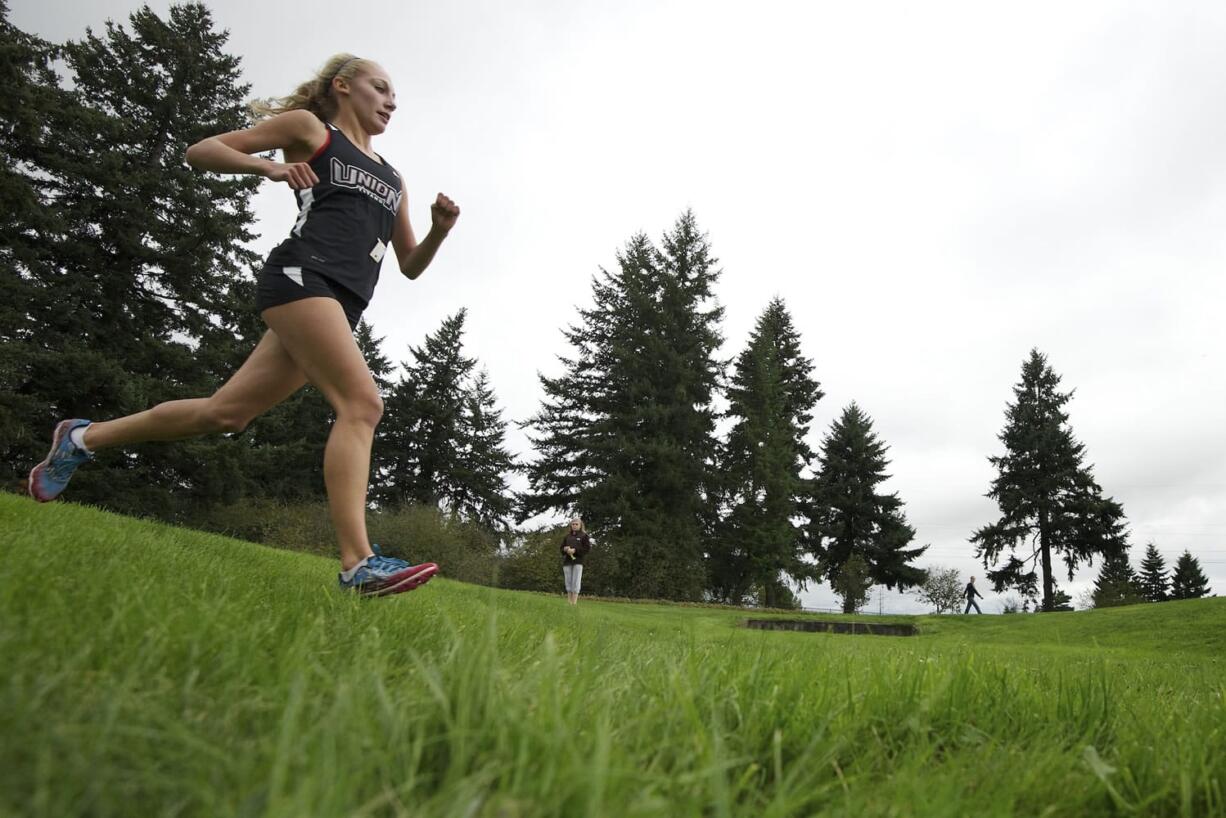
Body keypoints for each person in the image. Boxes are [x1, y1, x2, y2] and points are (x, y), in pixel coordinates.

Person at [27, 54, 458, 598]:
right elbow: (201, 151)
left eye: (395, 93)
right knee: (362, 404)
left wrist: (440, 232)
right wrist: (269, 167)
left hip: (341, 305)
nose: (391, 100)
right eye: (380, 87)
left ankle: (82, 437)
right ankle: (357, 563)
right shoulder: (311, 131)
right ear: (344, 87)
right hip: (302, 279)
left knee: (225, 413)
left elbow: (410, 264)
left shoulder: (393, 178)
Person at [560, 516, 592, 605]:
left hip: (578, 562)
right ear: (571, 525)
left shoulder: (584, 536)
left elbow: (587, 549)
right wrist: (565, 549)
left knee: (576, 581)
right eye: (573, 524)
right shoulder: (567, 536)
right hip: (567, 562)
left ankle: (574, 603)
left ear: (580, 525)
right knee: (568, 582)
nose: (574, 526)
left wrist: (575, 550)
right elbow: (561, 548)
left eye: (576, 524)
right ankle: (569, 602)